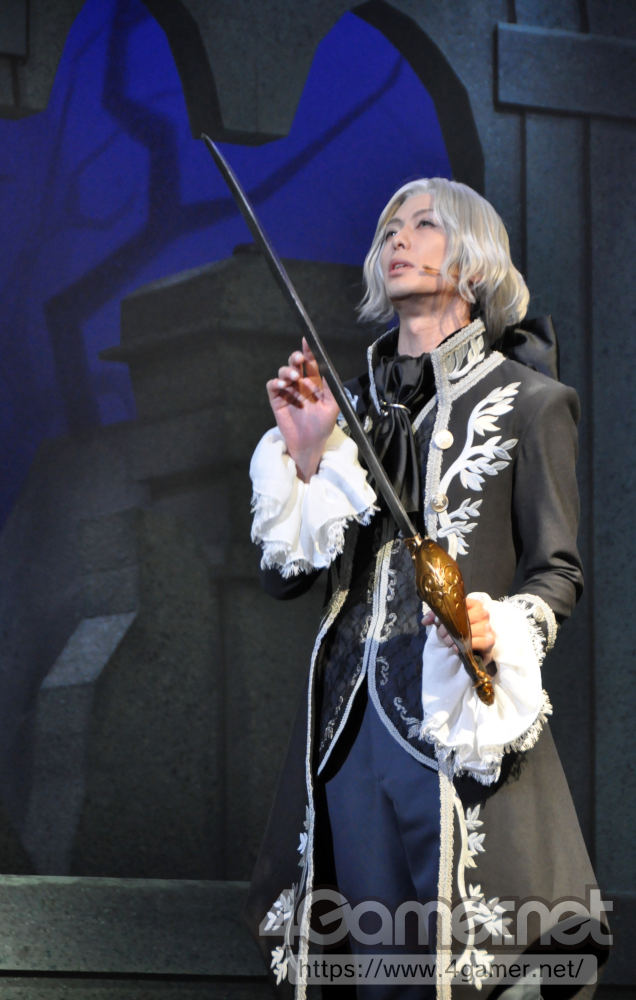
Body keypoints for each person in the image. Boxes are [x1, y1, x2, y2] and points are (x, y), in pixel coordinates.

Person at [244, 178, 609, 1000]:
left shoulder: (530, 403)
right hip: (349, 730)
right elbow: (280, 578)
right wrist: (306, 460)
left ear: (474, 260)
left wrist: (498, 626)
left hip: (457, 721)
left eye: (424, 224)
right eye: (388, 229)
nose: (397, 239)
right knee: (383, 979)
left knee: (476, 973)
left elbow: (558, 572)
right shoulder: (343, 413)